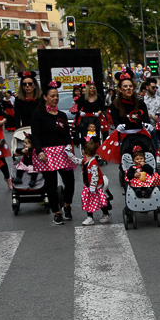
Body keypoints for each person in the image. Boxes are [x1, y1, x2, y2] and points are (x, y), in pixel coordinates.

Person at [31, 80, 77, 226]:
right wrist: (39, 151)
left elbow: (67, 134)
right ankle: (56, 212)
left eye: (57, 96)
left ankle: (67, 205)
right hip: (47, 152)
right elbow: (35, 135)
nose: (55, 98)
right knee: (50, 184)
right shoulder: (38, 114)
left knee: (69, 181)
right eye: (52, 96)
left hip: (63, 151)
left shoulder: (62, 115)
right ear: (45, 97)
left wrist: (69, 145)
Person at [99, 71, 148, 163]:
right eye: (125, 86)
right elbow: (116, 119)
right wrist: (118, 126)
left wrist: (147, 124)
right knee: (125, 158)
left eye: (130, 86)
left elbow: (145, 117)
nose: (128, 88)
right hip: (124, 135)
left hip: (140, 134)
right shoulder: (116, 104)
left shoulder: (140, 103)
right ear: (120, 89)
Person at [79, 135, 111, 225]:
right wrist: (70, 156)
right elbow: (78, 161)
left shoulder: (93, 163)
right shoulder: (85, 160)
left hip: (95, 187)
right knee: (88, 201)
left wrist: (93, 186)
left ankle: (106, 214)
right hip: (88, 186)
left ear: (84, 151)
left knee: (100, 201)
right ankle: (90, 217)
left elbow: (95, 176)